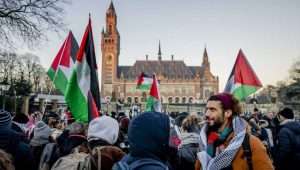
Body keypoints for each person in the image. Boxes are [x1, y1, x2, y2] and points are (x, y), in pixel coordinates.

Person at [195, 93, 273, 170]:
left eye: (212, 110)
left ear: (228, 113)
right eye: (207, 109)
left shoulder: (251, 144)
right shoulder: (205, 142)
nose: (206, 114)